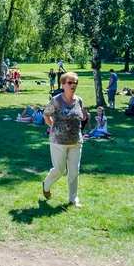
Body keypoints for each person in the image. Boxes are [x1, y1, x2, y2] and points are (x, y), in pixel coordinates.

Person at [41, 72, 88, 206]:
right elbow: (46, 114)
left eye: (75, 83)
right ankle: (46, 185)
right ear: (63, 84)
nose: (73, 85)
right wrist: (54, 128)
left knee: (74, 171)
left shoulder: (78, 100)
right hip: (58, 142)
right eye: (70, 82)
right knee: (59, 170)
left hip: (76, 141)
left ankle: (73, 199)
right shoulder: (57, 100)